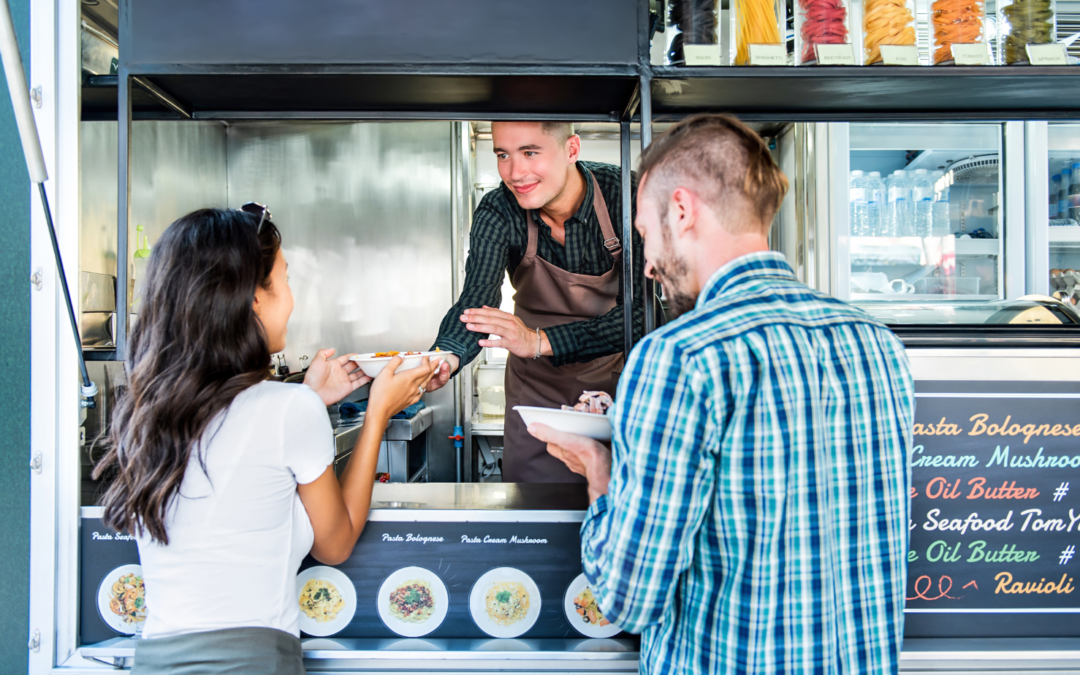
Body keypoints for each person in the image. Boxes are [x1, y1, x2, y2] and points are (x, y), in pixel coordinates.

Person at [531, 115, 915, 673]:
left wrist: (598, 469)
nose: (649, 262)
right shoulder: (877, 345)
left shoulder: (679, 356)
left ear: (682, 210)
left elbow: (627, 598)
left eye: (645, 234)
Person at [92, 206, 437, 674]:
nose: (292, 299)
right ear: (254, 298)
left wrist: (311, 397)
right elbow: (333, 545)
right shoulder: (288, 411)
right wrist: (377, 411)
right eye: (285, 280)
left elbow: (243, 464)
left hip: (154, 660)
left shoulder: (144, 413)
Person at [424, 121, 644, 483]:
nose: (515, 173)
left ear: (571, 149)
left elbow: (644, 314)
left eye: (529, 153)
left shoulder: (626, 194)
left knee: (618, 495)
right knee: (533, 507)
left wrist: (539, 341)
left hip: (617, 388)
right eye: (502, 155)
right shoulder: (499, 209)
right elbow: (477, 298)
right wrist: (443, 358)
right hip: (535, 393)